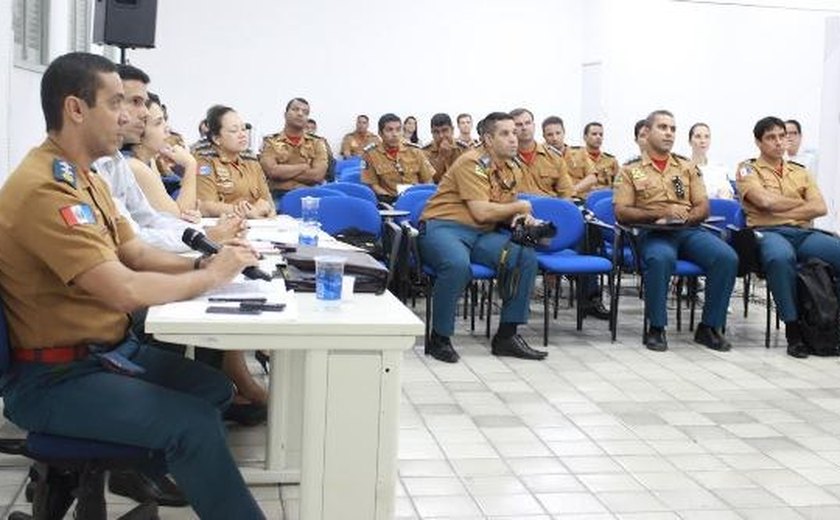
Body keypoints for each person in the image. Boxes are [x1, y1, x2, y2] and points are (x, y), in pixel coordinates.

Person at [0, 51, 265, 520]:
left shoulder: (88, 177)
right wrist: (209, 277)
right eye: (117, 101)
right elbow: (122, 289)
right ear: (75, 109)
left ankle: (121, 466)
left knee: (214, 389)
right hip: (55, 377)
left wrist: (206, 263)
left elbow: (136, 253)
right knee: (195, 424)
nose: (130, 115)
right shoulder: (45, 188)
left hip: (105, 353)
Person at [418, 112, 548, 363]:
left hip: (483, 232)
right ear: (488, 139)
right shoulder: (472, 162)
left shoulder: (513, 168)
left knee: (525, 256)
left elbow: (500, 210)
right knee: (457, 265)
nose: (514, 138)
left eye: (515, 132)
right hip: (444, 227)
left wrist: (522, 219)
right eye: (505, 133)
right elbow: (481, 209)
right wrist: (520, 208)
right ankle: (439, 337)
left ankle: (507, 336)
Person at [613, 110, 738, 352]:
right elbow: (622, 212)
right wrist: (660, 214)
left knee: (726, 257)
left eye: (672, 129)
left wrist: (686, 217)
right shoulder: (631, 170)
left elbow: (703, 205)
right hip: (653, 232)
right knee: (660, 259)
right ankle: (657, 327)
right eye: (662, 127)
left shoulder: (686, 167)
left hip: (688, 230)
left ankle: (710, 327)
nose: (669, 133)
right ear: (647, 133)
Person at [736, 116, 840, 358]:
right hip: (768, 233)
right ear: (758, 142)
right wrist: (802, 204)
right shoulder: (747, 168)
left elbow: (821, 207)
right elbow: (764, 201)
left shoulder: (800, 171)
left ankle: (831, 325)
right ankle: (793, 329)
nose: (779, 142)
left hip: (802, 233)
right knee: (780, 259)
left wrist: (781, 208)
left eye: (782, 136)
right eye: (771, 138)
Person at [127, 93, 200, 218]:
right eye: (158, 123)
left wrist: (192, 213)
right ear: (138, 130)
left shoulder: (150, 161)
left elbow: (182, 212)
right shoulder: (135, 166)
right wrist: (190, 165)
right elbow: (178, 218)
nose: (167, 128)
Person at [196, 105, 275, 219]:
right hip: (223, 227)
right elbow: (205, 206)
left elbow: (268, 202)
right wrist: (245, 211)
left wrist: (267, 210)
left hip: (258, 225)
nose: (242, 135)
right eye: (234, 131)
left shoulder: (252, 162)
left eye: (243, 129)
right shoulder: (205, 162)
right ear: (216, 139)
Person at [259, 97, 328, 202]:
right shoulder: (270, 142)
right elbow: (272, 171)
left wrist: (283, 173)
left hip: (309, 196)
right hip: (278, 195)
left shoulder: (317, 143)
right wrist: (304, 167)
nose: (300, 114)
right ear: (285, 114)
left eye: (305, 112)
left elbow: (317, 176)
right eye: (295, 109)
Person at [361, 113, 435, 203]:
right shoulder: (371, 154)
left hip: (417, 200)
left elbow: (428, 180)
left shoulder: (415, 151)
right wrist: (393, 201)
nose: (395, 134)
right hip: (389, 202)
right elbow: (373, 185)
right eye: (389, 130)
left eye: (398, 130)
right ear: (380, 133)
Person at [511, 108, 573, 199]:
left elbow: (566, 192)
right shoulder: (504, 159)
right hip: (519, 210)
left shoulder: (553, 157)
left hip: (549, 208)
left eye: (528, 123)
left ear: (534, 126)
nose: (524, 128)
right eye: (518, 125)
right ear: (512, 129)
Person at [567, 122, 619, 197]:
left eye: (601, 135)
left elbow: (619, 185)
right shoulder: (573, 156)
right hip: (579, 199)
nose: (598, 137)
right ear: (585, 137)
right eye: (594, 134)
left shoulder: (611, 161)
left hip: (602, 199)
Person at [688, 122, 733, 199]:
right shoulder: (682, 168)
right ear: (690, 141)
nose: (703, 141)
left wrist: (725, 194)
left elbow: (728, 192)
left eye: (706, 137)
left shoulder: (719, 169)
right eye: (698, 136)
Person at [423, 113, 470, 183]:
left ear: (452, 130)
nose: (441, 136)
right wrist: (441, 158)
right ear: (432, 133)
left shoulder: (464, 149)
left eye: (445, 130)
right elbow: (430, 180)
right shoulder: (425, 152)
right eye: (436, 132)